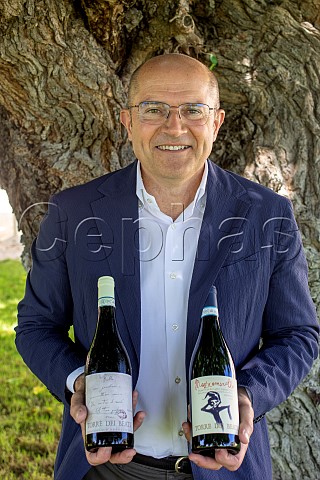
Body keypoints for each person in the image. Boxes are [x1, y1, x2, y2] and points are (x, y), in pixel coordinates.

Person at [16, 53, 319, 480]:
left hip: (225, 469)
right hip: (105, 468)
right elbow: (35, 327)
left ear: (216, 122)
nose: (174, 127)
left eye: (193, 110)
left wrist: (250, 394)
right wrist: (78, 381)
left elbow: (297, 334)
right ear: (127, 121)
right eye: (153, 109)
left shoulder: (268, 215)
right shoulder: (73, 211)